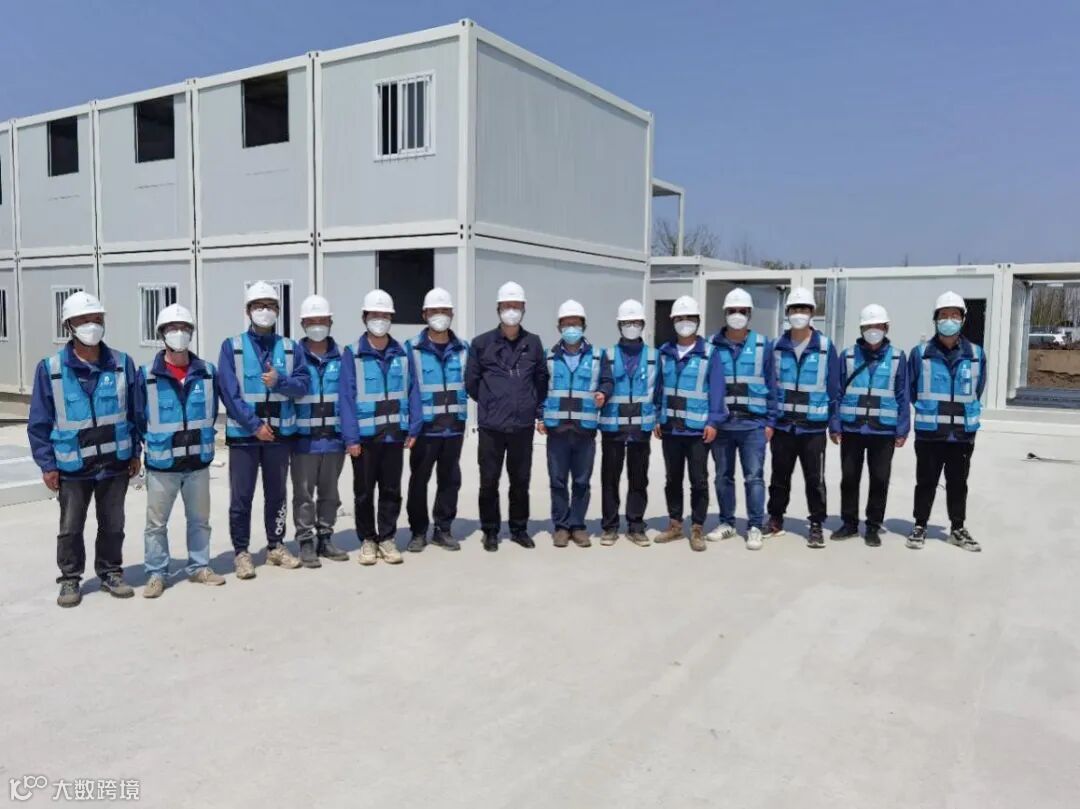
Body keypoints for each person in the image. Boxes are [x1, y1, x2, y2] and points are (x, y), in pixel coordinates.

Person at [27, 291, 140, 608]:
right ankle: (70, 578)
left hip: (114, 462)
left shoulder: (122, 364)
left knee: (113, 524)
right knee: (70, 527)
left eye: (97, 319)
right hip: (73, 466)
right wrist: (47, 464)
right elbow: (39, 421)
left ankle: (110, 572)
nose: (92, 325)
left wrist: (135, 451)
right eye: (84, 320)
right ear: (69, 326)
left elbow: (134, 413)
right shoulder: (51, 369)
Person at [217, 280, 310, 579]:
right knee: (241, 497)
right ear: (248, 311)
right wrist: (255, 425)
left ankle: (276, 546)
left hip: (279, 437)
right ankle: (241, 552)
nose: (264, 311)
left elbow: (303, 386)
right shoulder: (231, 347)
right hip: (245, 436)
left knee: (277, 495)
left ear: (278, 311)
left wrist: (281, 382)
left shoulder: (291, 348)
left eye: (270, 306)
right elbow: (229, 393)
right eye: (258, 306)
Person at [137, 304, 225, 598]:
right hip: (162, 464)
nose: (179, 333)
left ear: (191, 332)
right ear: (162, 334)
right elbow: (138, 417)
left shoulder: (207, 372)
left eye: (184, 328)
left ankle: (200, 566)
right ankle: (156, 573)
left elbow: (211, 413)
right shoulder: (146, 375)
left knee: (200, 520)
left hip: (197, 462)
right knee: (156, 524)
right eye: (172, 328)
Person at [465, 281, 549, 552]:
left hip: (522, 426)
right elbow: (471, 382)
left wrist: (529, 406)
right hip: (491, 426)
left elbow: (541, 380)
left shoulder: (533, 343)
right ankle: (490, 531)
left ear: (524, 309)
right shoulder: (481, 344)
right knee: (489, 481)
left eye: (516, 306)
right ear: (498, 308)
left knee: (520, 481)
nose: (511, 311)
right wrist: (492, 402)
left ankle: (519, 529)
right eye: (507, 306)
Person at [906, 291, 987, 552]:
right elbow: (911, 390)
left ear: (963, 319)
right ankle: (920, 525)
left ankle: (957, 528)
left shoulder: (976, 354)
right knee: (925, 481)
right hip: (930, 432)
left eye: (954, 315)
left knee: (958, 483)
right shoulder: (920, 354)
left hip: (962, 433)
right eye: (944, 315)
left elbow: (978, 388)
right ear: (935, 319)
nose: (949, 320)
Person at [339, 289, 412, 566]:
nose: (379, 319)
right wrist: (351, 438)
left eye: (384, 315)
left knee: (391, 489)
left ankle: (388, 537)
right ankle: (368, 539)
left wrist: (413, 428)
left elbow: (412, 390)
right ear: (364, 317)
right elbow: (346, 398)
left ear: (391, 318)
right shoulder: (353, 354)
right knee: (364, 492)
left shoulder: (401, 353)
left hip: (394, 434)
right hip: (365, 439)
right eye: (374, 314)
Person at [765, 286, 841, 549]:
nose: (799, 313)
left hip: (813, 427)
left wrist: (834, 424)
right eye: (795, 309)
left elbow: (833, 388)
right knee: (779, 477)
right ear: (787, 313)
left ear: (812, 313)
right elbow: (769, 386)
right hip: (784, 425)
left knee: (815, 479)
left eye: (804, 309)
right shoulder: (776, 346)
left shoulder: (825, 347)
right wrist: (769, 421)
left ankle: (816, 524)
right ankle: (775, 518)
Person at [831, 304, 910, 547]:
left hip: (883, 430)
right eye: (868, 326)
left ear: (886, 328)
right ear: (861, 329)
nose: (873, 330)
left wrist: (902, 428)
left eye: (877, 326)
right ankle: (849, 523)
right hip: (852, 428)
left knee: (880, 479)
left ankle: (873, 526)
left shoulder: (897, 357)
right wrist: (834, 424)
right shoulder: (848, 356)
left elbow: (902, 394)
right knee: (849, 478)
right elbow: (837, 391)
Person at [706, 288, 777, 551]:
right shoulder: (711, 345)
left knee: (754, 477)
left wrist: (771, 421)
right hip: (723, 424)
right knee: (722, 476)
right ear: (725, 313)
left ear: (750, 314)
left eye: (742, 311)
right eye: (732, 311)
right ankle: (726, 522)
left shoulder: (763, 345)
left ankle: (755, 525)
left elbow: (772, 384)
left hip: (753, 424)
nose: (737, 315)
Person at [653, 295, 724, 552]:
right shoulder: (664, 352)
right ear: (673, 321)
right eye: (680, 318)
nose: (685, 322)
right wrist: (657, 417)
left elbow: (717, 389)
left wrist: (713, 421)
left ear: (698, 321)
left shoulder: (709, 353)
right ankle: (674, 524)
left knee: (699, 480)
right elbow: (658, 388)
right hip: (671, 427)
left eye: (689, 318)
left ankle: (697, 527)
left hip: (697, 429)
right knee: (672, 478)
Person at [540, 300, 612, 548]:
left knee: (581, 481)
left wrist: (603, 392)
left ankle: (578, 525)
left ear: (584, 326)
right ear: (559, 327)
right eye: (566, 323)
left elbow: (607, 381)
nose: (571, 328)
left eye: (576, 323)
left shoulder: (597, 356)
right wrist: (540, 416)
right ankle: (561, 526)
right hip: (557, 430)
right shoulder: (549, 356)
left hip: (584, 430)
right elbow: (539, 388)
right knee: (558, 481)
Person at [404, 288, 469, 553]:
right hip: (425, 429)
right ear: (424, 314)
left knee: (450, 480)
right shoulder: (411, 349)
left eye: (444, 311)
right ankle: (418, 531)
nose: (439, 315)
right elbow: (406, 389)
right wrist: (410, 425)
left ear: (452, 313)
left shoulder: (464, 348)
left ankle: (443, 529)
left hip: (454, 427)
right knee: (419, 481)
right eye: (434, 311)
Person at [291, 294, 350, 568]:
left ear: (330, 322)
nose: (317, 325)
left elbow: (349, 397)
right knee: (304, 494)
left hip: (334, 439)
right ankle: (305, 541)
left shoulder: (343, 355)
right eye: (311, 321)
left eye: (322, 320)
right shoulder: (293, 356)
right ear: (303, 324)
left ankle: (325, 537)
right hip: (304, 440)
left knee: (330, 493)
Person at [598, 299, 657, 547]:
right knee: (610, 479)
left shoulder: (654, 356)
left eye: (635, 322)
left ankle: (636, 525)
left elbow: (659, 390)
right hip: (613, 427)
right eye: (626, 322)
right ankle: (610, 526)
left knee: (638, 479)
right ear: (619, 326)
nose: (631, 326)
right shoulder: (608, 355)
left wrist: (658, 419)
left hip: (641, 428)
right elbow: (601, 384)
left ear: (643, 324)